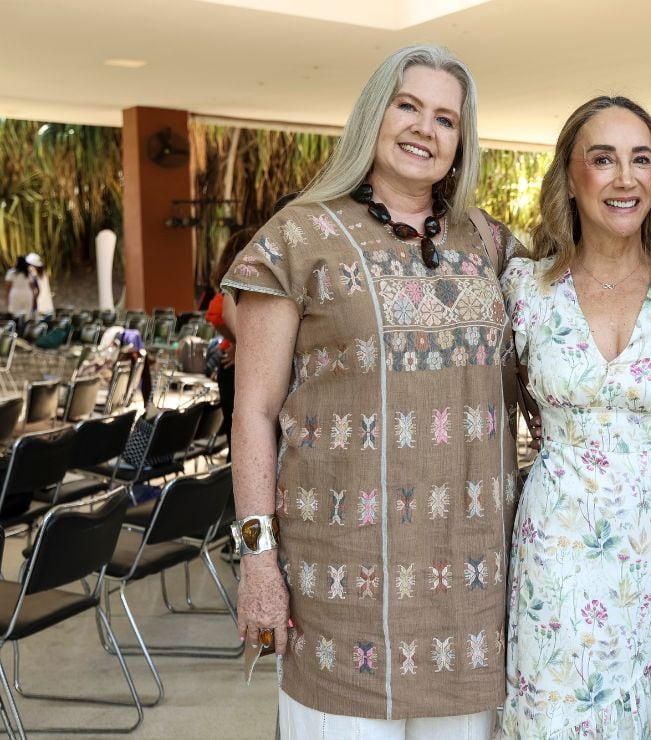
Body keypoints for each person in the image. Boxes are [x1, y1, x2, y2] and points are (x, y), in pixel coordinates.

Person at [220, 44, 524, 738]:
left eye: (445, 118)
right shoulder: (297, 238)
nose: (424, 129)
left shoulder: (491, 244)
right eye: (407, 106)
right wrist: (258, 561)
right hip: (339, 595)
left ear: (462, 141)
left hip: (470, 599)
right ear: (372, 115)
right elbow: (254, 412)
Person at [497, 96, 651, 738]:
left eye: (641, 160)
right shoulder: (525, 289)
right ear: (569, 177)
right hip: (558, 546)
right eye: (603, 159)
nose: (625, 178)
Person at [209, 228, 255, 460]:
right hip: (236, 363)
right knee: (241, 445)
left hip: (234, 359)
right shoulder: (245, 266)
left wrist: (239, 343)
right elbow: (224, 315)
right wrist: (246, 345)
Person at [4, 256, 37, 321]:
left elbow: (7, 286)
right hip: (27, 294)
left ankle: (17, 326)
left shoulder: (11, 272)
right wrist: (34, 298)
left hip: (15, 294)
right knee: (27, 315)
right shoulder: (28, 273)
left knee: (15, 314)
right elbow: (32, 287)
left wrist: (7, 296)